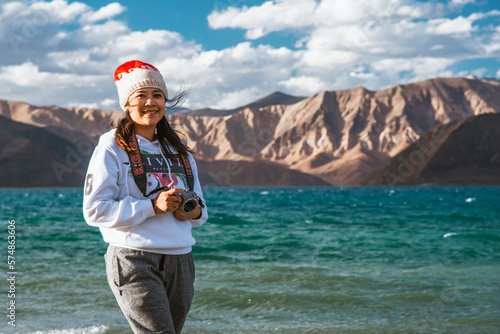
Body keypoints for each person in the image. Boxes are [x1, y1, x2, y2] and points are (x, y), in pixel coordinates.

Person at [83, 60, 208, 334]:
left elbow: (201, 210)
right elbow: (95, 211)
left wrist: (193, 212)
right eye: (141, 95)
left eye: (157, 95)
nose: (150, 102)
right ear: (126, 104)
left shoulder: (180, 151)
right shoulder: (112, 146)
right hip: (134, 258)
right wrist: (153, 206)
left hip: (181, 260)